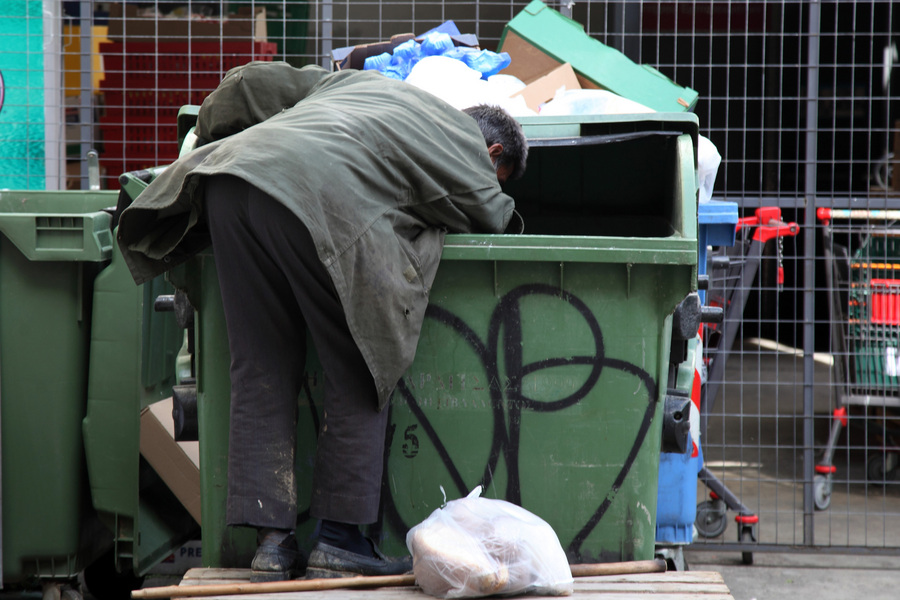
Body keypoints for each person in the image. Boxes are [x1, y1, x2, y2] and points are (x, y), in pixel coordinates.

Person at [116, 62, 528, 582]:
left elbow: (250, 85)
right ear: (493, 153)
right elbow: (492, 215)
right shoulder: (468, 152)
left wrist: (201, 130)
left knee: (259, 366)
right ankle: (339, 540)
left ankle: (270, 544)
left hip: (230, 180)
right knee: (363, 360)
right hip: (312, 196)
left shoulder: (365, 85)